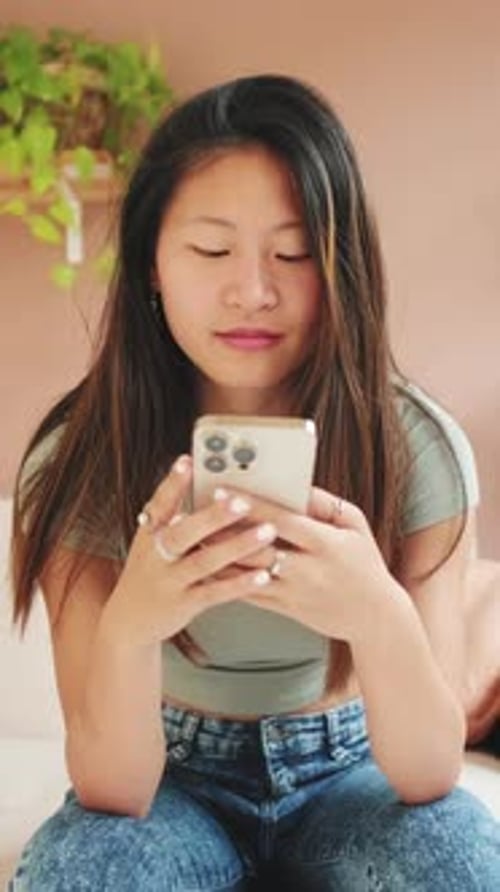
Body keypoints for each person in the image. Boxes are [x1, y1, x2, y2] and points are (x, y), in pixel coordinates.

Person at [8, 74, 500, 891]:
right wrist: (133, 626)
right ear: (151, 263)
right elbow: (114, 791)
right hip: (170, 780)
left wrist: (376, 616)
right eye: (211, 251)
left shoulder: (418, 447)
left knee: (462, 863)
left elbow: (427, 774)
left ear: (341, 267)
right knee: (83, 870)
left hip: (358, 768)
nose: (253, 292)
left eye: (294, 253)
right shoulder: (79, 456)